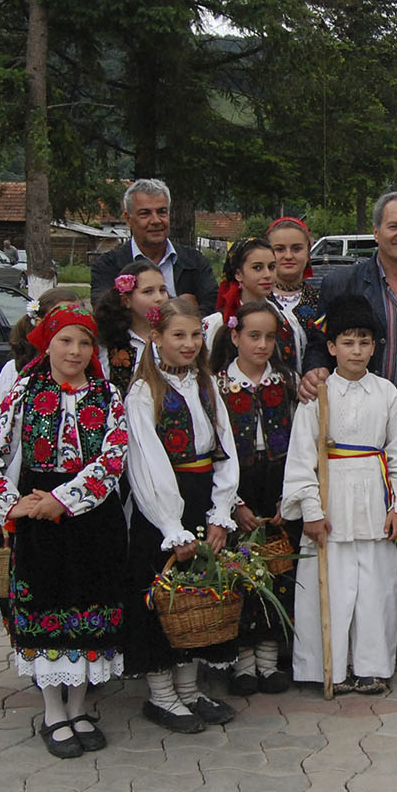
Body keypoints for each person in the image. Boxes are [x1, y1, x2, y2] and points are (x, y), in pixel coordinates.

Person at [0, 304, 130, 758]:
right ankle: (53, 712)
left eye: (84, 343)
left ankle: (79, 707)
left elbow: (113, 457)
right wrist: (11, 502)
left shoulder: (107, 395)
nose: (75, 351)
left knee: (89, 607)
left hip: (92, 520)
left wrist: (63, 499)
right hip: (38, 523)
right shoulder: (25, 391)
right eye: (65, 340)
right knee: (47, 605)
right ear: (48, 344)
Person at [304, 192, 397, 661]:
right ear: (376, 232)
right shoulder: (342, 281)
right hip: (358, 434)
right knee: (358, 528)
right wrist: (312, 371)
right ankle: (348, 630)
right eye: (395, 226)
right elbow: (317, 341)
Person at [281, 295, 397, 695]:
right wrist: (311, 509)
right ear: (331, 346)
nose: (356, 350)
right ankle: (330, 666)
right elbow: (302, 457)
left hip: (375, 499)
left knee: (375, 587)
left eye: (364, 342)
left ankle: (371, 665)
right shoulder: (318, 396)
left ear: (375, 347)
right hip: (331, 501)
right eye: (347, 342)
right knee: (332, 586)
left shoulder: (387, 394)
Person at [121, 296, 240, 734]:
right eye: (178, 336)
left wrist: (220, 513)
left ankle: (189, 689)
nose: (189, 344)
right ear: (156, 338)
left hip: (202, 496)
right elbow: (146, 462)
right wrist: (171, 526)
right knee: (163, 598)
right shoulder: (144, 392)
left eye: (195, 335)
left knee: (197, 598)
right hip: (162, 506)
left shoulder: (206, 384)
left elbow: (225, 449)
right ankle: (161, 694)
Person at [209, 300, 299, 696]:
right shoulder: (216, 384)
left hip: (277, 481)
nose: (262, 345)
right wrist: (236, 504)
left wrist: (288, 496)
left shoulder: (287, 381)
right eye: (253, 336)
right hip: (237, 483)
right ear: (234, 336)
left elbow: (301, 441)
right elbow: (214, 448)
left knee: (278, 570)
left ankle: (268, 658)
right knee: (240, 574)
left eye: (270, 337)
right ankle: (242, 663)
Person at [91, 178, 219, 317]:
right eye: (145, 213)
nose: (156, 220)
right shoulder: (108, 266)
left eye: (162, 212)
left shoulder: (195, 262)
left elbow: (214, 310)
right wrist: (181, 307)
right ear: (128, 219)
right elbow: (105, 314)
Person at [93, 261, 169, 394]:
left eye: (162, 290)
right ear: (126, 300)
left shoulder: (173, 337)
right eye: (148, 291)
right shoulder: (110, 344)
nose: (159, 298)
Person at [0, 286, 84, 403]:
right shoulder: (14, 371)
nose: (71, 327)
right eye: (61, 319)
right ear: (40, 323)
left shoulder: (88, 370)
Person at [267, 217, 323, 383]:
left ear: (308, 253)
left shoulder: (321, 302)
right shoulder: (257, 302)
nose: (288, 256)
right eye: (279, 249)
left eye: (297, 248)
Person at [202, 237, 281, 352]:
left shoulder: (281, 317)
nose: (267, 275)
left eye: (271, 267)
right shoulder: (215, 323)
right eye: (257, 268)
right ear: (238, 274)